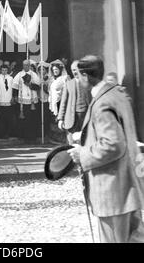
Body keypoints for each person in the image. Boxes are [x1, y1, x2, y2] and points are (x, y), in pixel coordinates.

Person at [68, 55, 144, 243]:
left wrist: (82, 154)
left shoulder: (101, 103)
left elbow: (113, 145)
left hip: (111, 193)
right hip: (128, 188)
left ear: (85, 76)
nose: (77, 80)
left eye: (78, 75)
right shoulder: (117, 94)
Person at [57, 60, 91, 144]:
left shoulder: (89, 83)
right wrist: (60, 119)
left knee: (86, 142)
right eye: (73, 70)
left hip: (86, 116)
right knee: (71, 144)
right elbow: (63, 103)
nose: (74, 72)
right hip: (72, 117)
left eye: (76, 69)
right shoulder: (69, 84)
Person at [12, 60, 41, 142]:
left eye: (27, 65)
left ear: (30, 65)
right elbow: (14, 86)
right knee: (23, 120)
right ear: (22, 65)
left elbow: (38, 87)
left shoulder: (34, 75)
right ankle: (23, 137)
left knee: (32, 120)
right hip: (22, 100)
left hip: (32, 101)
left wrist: (30, 85)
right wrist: (14, 96)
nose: (26, 67)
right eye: (24, 65)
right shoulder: (19, 74)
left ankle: (32, 138)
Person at [47, 59, 69, 144]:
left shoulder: (65, 78)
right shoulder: (52, 79)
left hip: (61, 102)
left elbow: (68, 90)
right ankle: (56, 139)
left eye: (56, 70)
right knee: (54, 121)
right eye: (53, 70)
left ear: (60, 70)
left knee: (61, 120)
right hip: (54, 104)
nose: (55, 71)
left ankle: (64, 139)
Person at [0, 64, 14, 139]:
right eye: (3, 70)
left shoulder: (11, 78)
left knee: (8, 119)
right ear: (0, 70)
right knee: (0, 119)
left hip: (8, 101)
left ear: (7, 70)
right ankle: (0, 134)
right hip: (0, 102)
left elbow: (12, 89)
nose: (4, 72)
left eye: (5, 70)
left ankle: (7, 133)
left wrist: (12, 98)